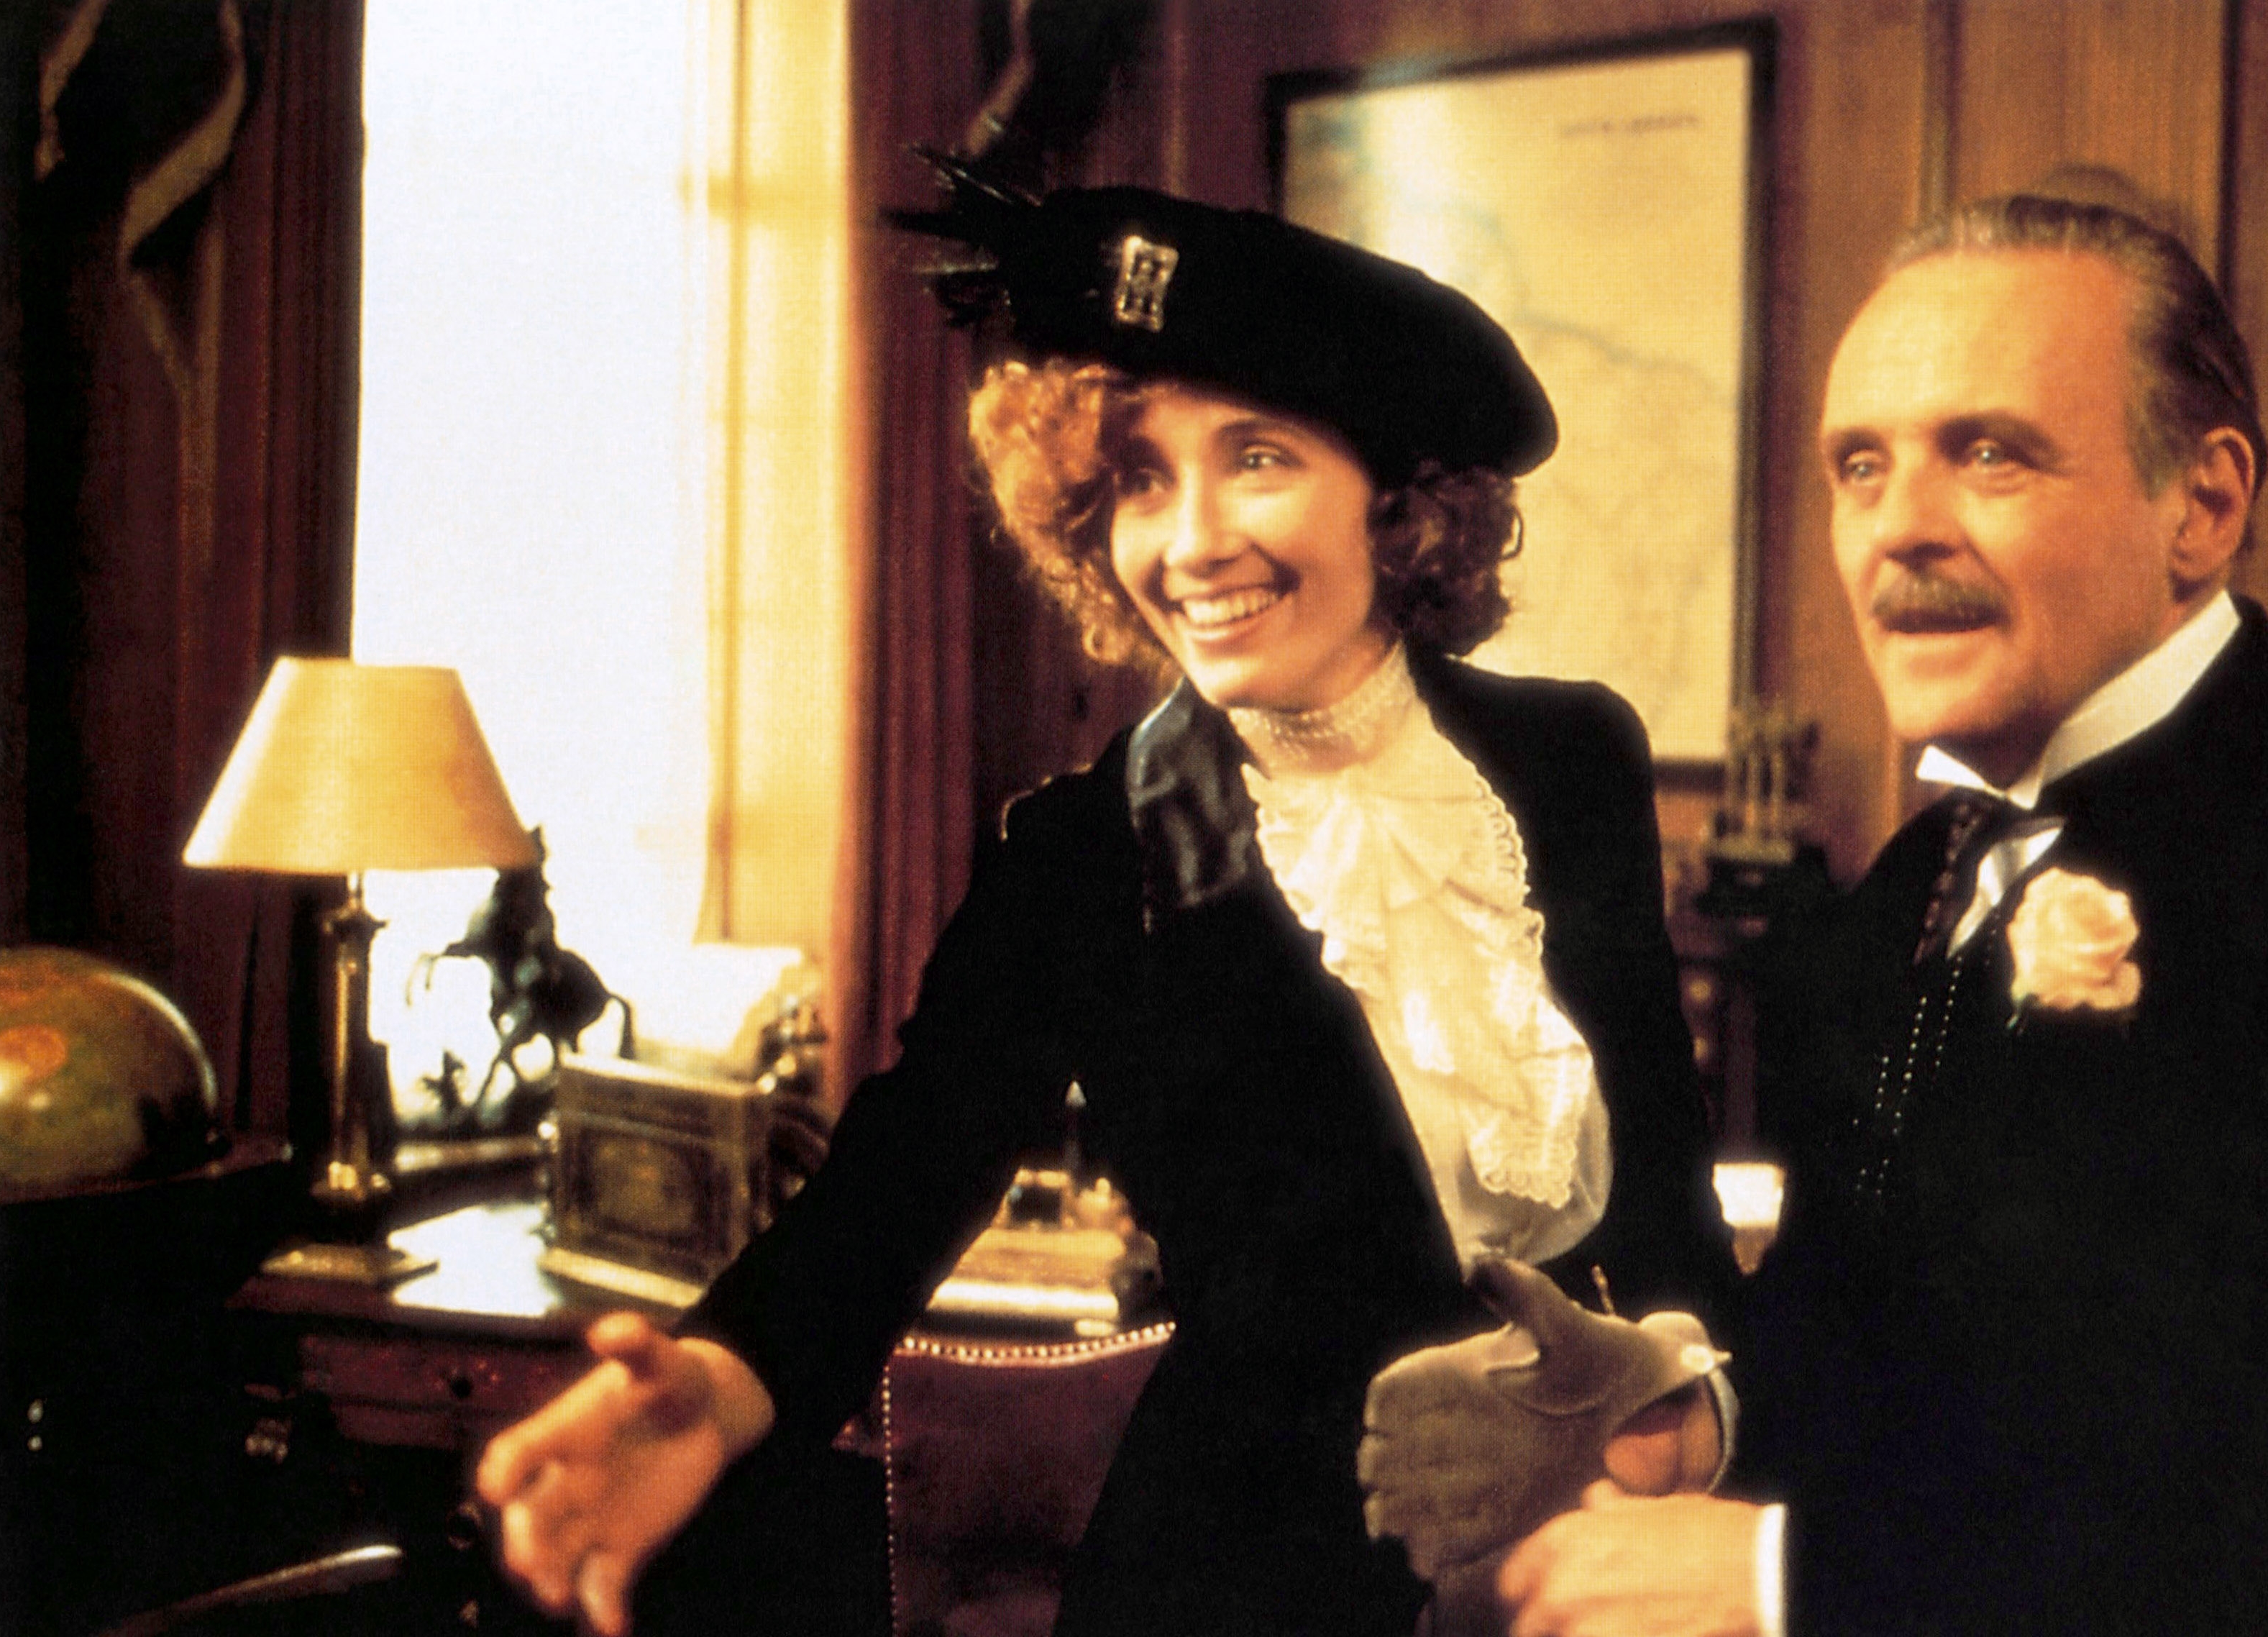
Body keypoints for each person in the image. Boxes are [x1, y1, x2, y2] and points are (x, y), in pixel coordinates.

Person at [475, 178, 1737, 1637]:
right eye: (1140, 478)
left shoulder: (1573, 760)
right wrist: (711, 1387)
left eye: (1254, 458)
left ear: (1397, 497)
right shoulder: (1084, 854)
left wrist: (1686, 1408)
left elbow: (1668, 1207)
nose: (1188, 543)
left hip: (1609, 1576)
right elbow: (892, 1183)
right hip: (1244, 1591)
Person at [1490, 193, 2268, 1636]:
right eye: (1858, 466)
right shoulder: (1912, 881)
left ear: (2200, 507)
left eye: (1988, 454)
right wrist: (1705, 1414)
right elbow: (1921, 1359)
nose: (1898, 529)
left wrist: (1791, 1584)